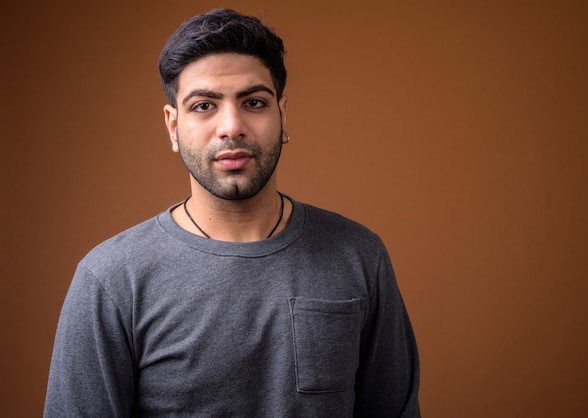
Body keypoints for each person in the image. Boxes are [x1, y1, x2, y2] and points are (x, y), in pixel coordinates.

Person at [44, 8, 420, 417]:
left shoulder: (359, 256)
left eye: (254, 102)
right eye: (204, 105)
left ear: (283, 116)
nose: (231, 126)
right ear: (173, 127)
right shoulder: (111, 280)